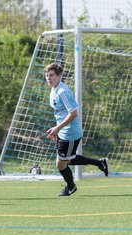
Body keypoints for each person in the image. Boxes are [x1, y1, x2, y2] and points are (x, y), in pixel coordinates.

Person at [44, 63, 108, 197]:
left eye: (52, 75)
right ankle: (100, 163)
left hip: (70, 133)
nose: (49, 78)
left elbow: (73, 113)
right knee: (67, 160)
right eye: (47, 75)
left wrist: (57, 128)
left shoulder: (63, 92)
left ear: (59, 76)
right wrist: (56, 130)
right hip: (63, 131)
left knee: (61, 164)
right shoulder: (54, 89)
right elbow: (60, 113)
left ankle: (71, 186)